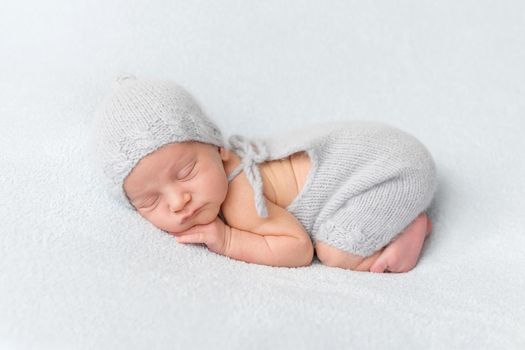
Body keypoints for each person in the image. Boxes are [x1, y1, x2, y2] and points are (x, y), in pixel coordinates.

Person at [92, 74, 437, 273]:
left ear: (218, 148)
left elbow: (298, 249)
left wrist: (226, 240)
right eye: (150, 201)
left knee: (336, 252)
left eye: (186, 172)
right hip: (386, 154)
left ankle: (408, 228)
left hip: (392, 172)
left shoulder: (240, 192)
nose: (178, 201)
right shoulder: (219, 176)